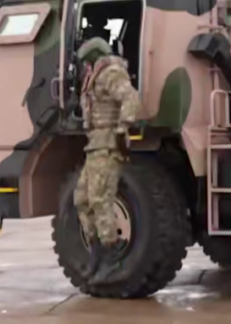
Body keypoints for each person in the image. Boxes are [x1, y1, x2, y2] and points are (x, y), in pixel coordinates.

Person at [74, 36, 142, 286]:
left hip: (107, 145)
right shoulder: (96, 75)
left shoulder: (110, 72)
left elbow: (130, 98)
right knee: (82, 199)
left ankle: (111, 258)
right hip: (95, 145)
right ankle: (96, 255)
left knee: (100, 200)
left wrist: (123, 129)